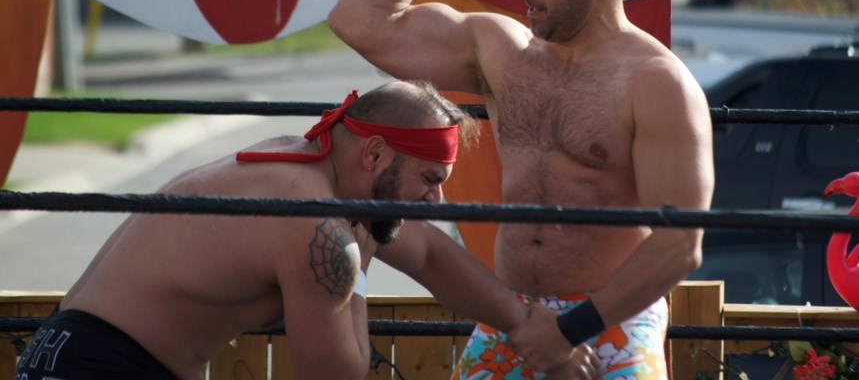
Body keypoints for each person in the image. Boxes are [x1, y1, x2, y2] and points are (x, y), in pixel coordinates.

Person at [328, 0, 715, 379]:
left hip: (611, 319)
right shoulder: (503, 53)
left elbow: (680, 245)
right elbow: (357, 21)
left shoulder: (658, 83)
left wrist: (567, 331)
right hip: (513, 316)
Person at [14, 81, 596, 380]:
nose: (436, 198)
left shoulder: (301, 164)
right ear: (373, 154)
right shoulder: (320, 229)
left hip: (63, 351)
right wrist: (360, 272)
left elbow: (433, 258)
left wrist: (530, 328)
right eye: (428, 177)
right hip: (105, 367)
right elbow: (334, 374)